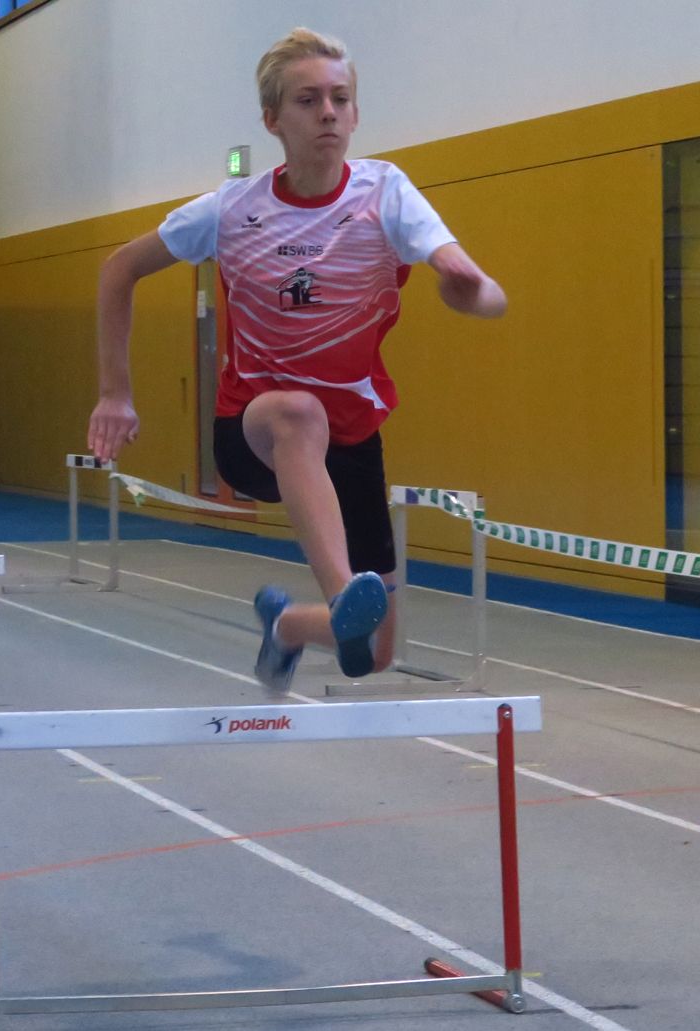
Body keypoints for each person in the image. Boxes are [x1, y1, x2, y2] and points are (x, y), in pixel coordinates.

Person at [88, 27, 505, 692]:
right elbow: (119, 270)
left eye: (340, 99)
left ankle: (287, 625)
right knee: (299, 413)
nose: (328, 113)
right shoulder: (232, 209)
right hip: (254, 430)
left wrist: (470, 292)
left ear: (356, 113)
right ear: (273, 120)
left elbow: (485, 292)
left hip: (352, 439)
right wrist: (116, 392)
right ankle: (343, 596)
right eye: (308, 100)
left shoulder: (386, 194)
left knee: (376, 652)